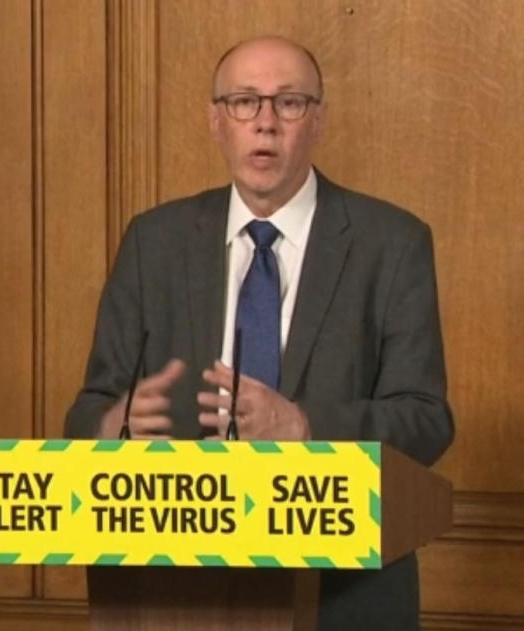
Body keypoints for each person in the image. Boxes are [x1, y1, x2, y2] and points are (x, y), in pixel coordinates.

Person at [65, 35, 454, 631]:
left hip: (345, 598)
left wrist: (304, 427)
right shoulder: (155, 241)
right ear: (216, 121)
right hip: (175, 594)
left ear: (318, 121)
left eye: (289, 103)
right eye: (244, 102)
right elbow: (87, 412)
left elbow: (427, 422)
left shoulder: (392, 244)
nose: (265, 123)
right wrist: (113, 424)